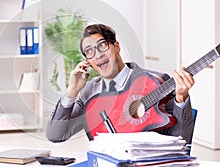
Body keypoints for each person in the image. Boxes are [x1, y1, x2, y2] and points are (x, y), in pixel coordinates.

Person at [46, 24, 195, 144]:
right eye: (89, 52)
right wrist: (72, 90)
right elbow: (55, 135)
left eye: (102, 45)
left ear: (116, 47)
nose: (98, 55)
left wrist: (181, 100)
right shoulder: (89, 92)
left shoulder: (155, 81)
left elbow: (181, 141)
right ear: (88, 62)